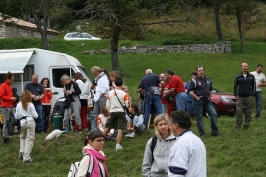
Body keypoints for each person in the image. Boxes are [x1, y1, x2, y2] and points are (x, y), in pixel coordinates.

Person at [168, 110, 206, 177]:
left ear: (176, 125)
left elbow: (177, 172)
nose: (170, 128)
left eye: (170, 125)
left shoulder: (181, 143)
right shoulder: (197, 140)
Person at [187, 65, 219, 136]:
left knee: (213, 114)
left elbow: (211, 89)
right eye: (199, 71)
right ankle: (202, 133)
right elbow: (189, 91)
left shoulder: (208, 79)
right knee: (199, 116)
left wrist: (210, 96)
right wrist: (196, 97)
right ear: (197, 71)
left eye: (202, 70)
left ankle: (215, 132)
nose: (201, 72)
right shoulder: (194, 80)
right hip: (199, 100)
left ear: (204, 71)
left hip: (207, 100)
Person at [102, 77, 130, 151]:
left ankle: (99, 141)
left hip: (112, 111)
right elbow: (128, 105)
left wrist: (109, 111)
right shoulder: (124, 94)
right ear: (122, 84)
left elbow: (107, 104)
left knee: (107, 127)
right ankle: (117, 145)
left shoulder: (110, 93)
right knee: (120, 129)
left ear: (114, 83)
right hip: (121, 112)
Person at [15, 90, 38, 163]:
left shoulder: (18, 104)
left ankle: (22, 153)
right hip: (30, 122)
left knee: (22, 137)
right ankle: (27, 157)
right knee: (30, 139)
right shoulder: (30, 104)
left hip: (22, 123)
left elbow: (16, 116)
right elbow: (36, 115)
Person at [234, 63, 256, 130]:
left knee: (248, 113)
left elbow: (254, 86)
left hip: (249, 97)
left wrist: (253, 95)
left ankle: (246, 127)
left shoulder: (251, 76)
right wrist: (236, 95)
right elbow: (235, 86)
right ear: (241, 67)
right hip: (240, 97)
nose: (246, 67)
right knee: (239, 112)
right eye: (245, 66)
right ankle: (237, 127)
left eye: (247, 66)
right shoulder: (238, 77)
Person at [90, 66, 110, 131]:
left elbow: (106, 87)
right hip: (96, 98)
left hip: (102, 97)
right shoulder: (97, 78)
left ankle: (105, 128)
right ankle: (94, 129)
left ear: (98, 72)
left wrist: (103, 93)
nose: (93, 74)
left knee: (103, 112)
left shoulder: (104, 78)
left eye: (94, 73)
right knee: (94, 113)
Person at [0, 71, 17, 143]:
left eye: (13, 80)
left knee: (15, 120)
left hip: (11, 106)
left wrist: (12, 99)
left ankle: (5, 133)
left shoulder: (10, 86)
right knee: (6, 122)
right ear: (7, 78)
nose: (12, 81)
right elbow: (1, 96)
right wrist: (11, 98)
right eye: (11, 80)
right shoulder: (3, 86)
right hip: (5, 106)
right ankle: (5, 137)